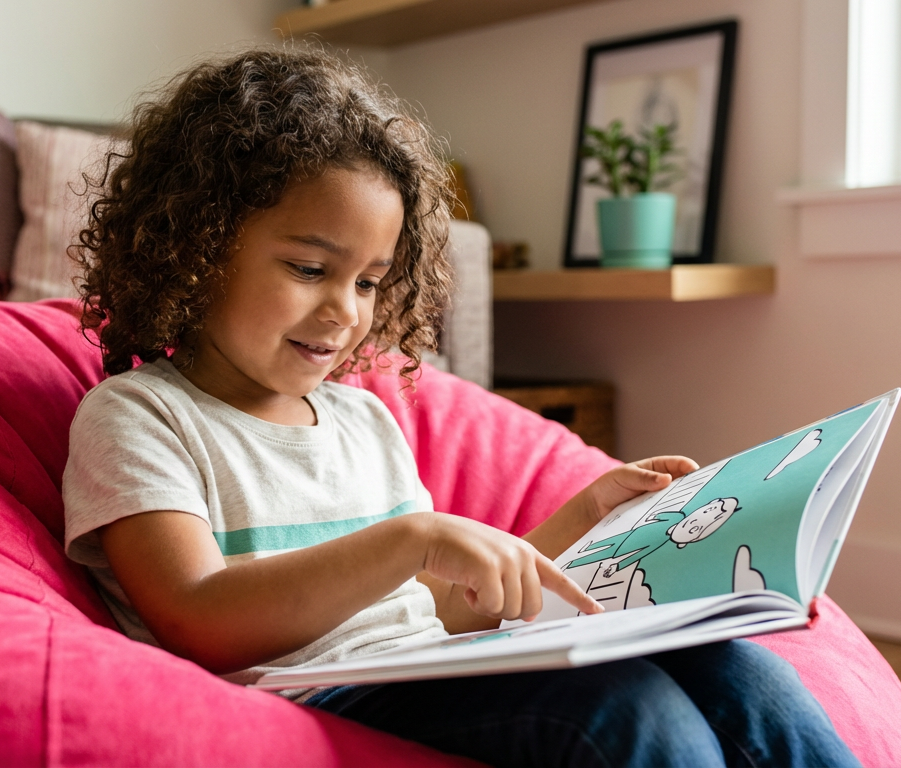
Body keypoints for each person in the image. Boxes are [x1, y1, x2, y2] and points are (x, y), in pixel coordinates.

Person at [61, 46, 859, 768]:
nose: (346, 311)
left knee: (733, 666)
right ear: (198, 246)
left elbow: (441, 606)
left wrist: (586, 518)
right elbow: (196, 617)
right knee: (629, 714)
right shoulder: (139, 416)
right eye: (310, 267)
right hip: (322, 698)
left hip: (428, 666)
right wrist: (411, 540)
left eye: (369, 282)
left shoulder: (362, 420)